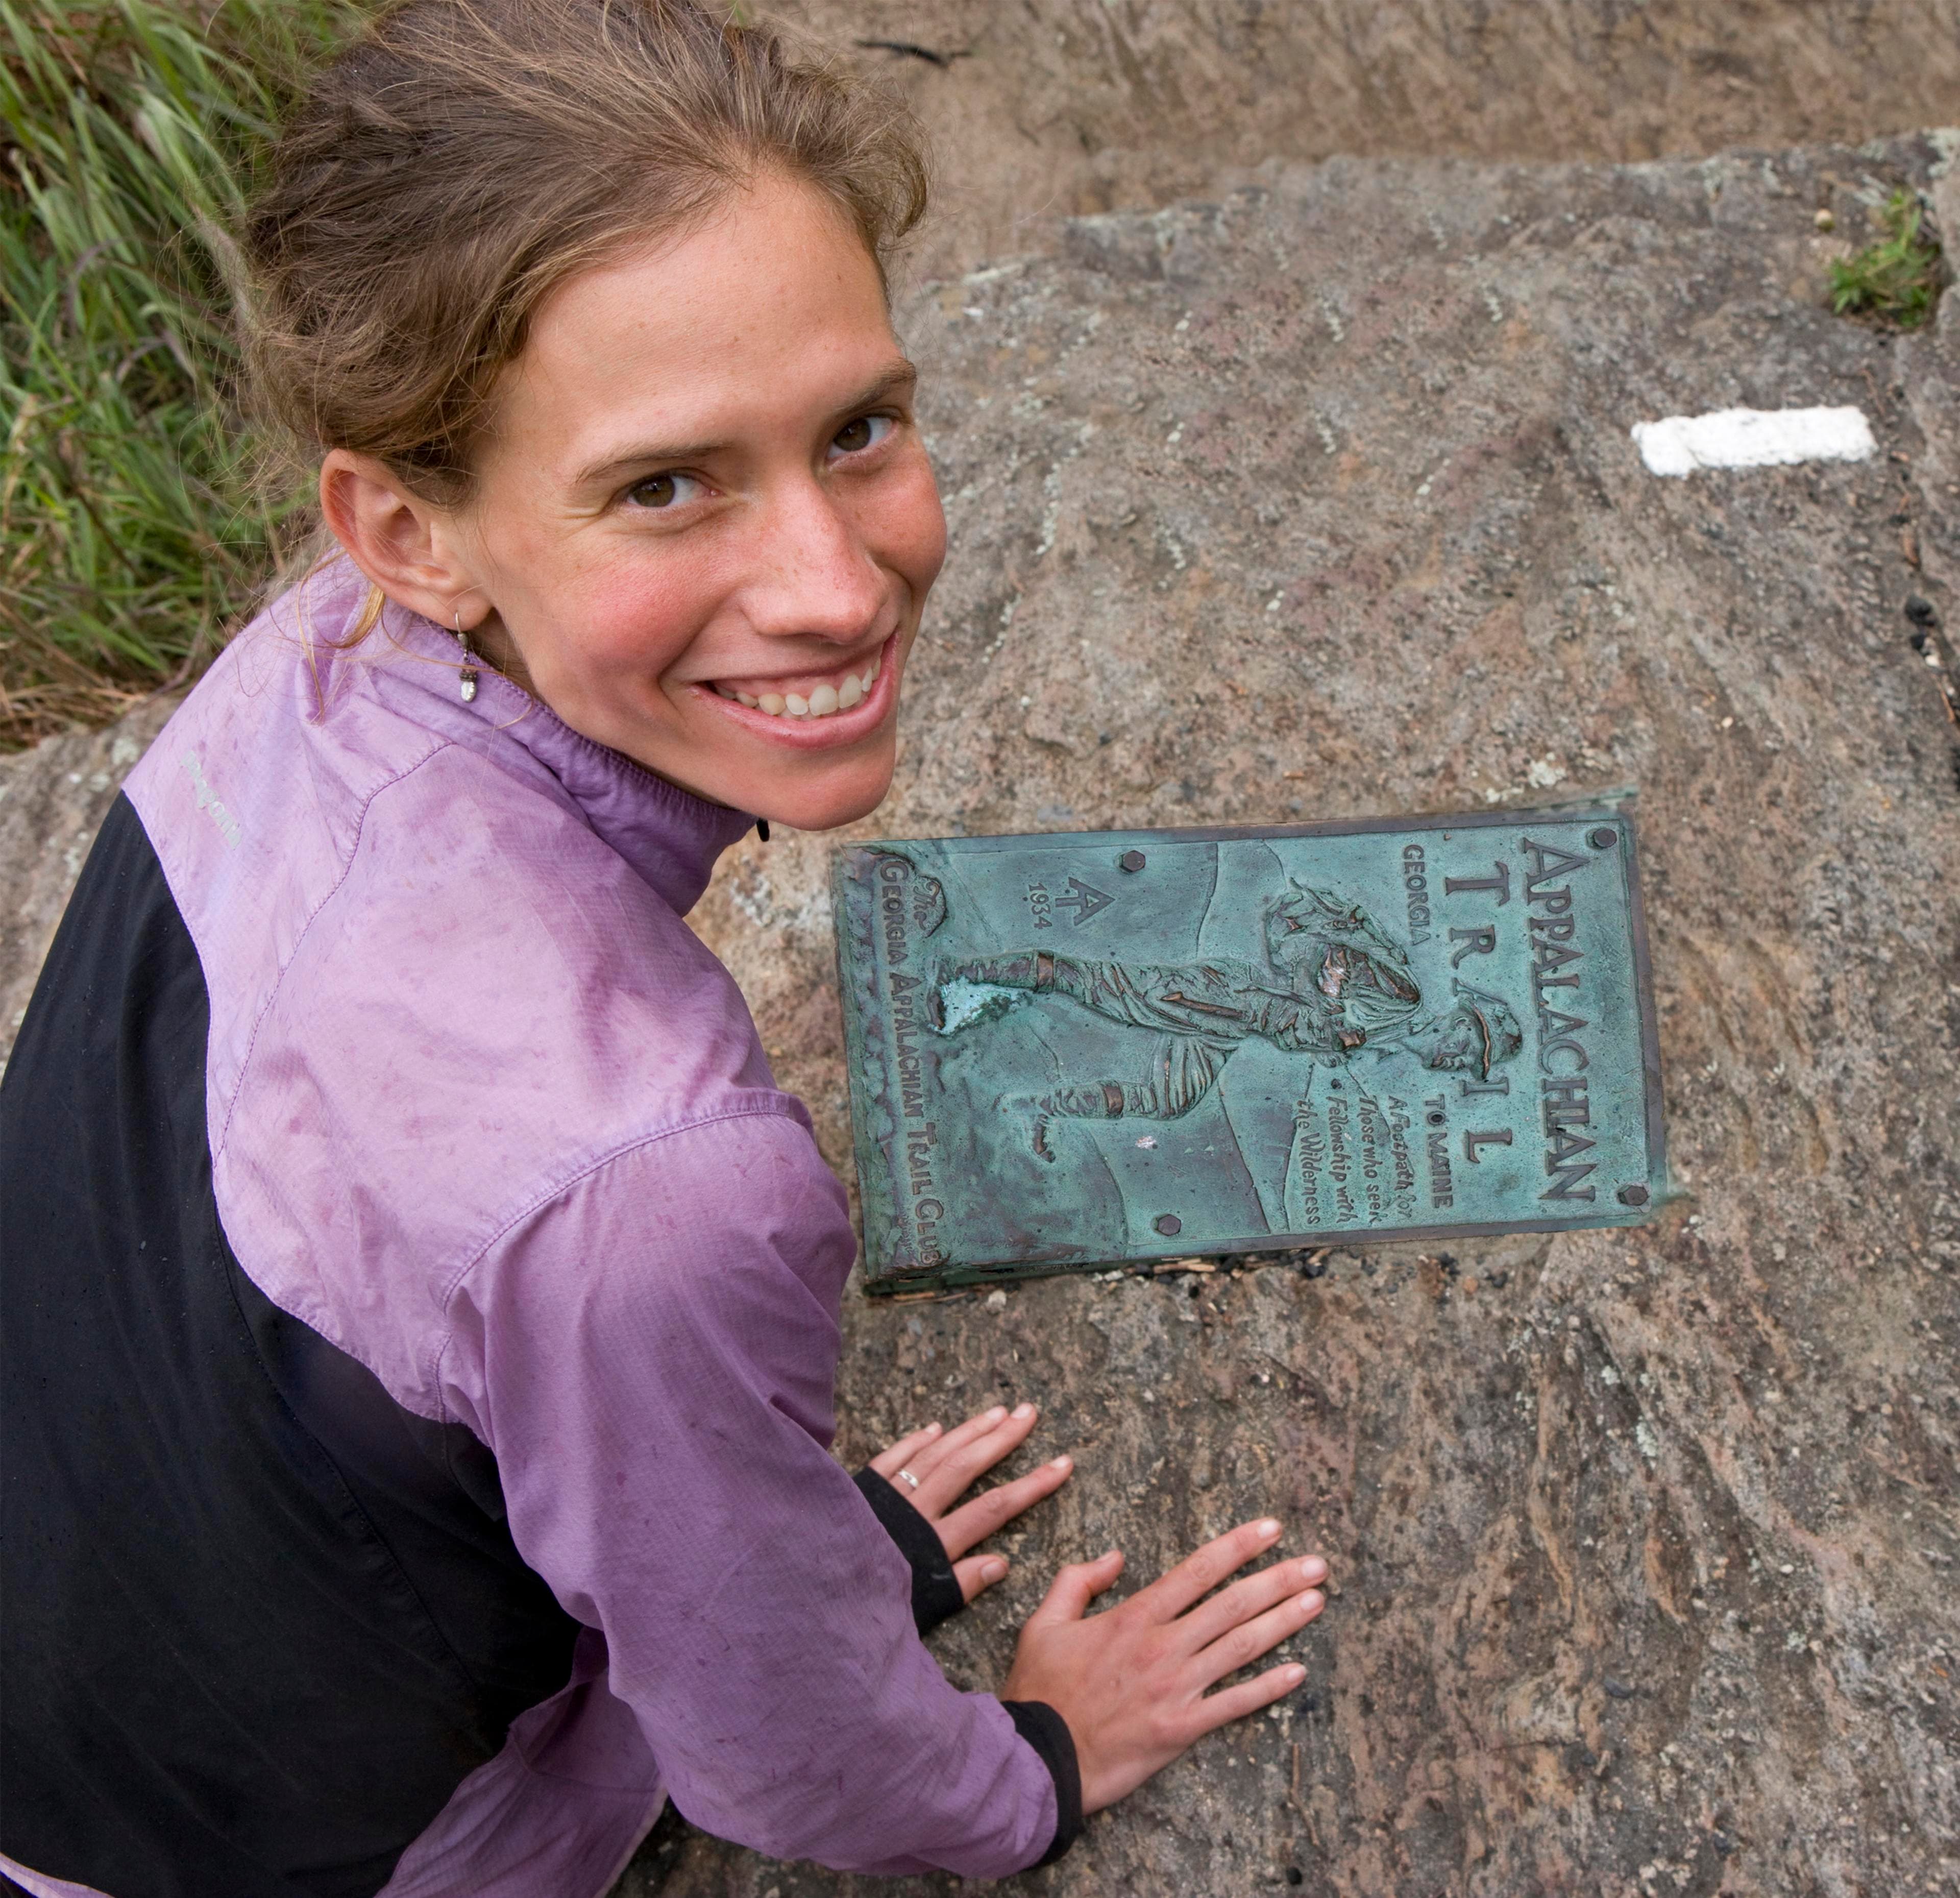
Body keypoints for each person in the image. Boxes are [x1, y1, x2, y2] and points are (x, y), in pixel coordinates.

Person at [0, 5, 1332, 1895]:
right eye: (665, 484)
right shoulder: (650, 1189)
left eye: (859, 429)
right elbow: (783, 1767)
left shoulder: (300, 673)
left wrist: (764, 1531)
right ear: (407, 524)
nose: (836, 582)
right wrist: (1015, 1766)